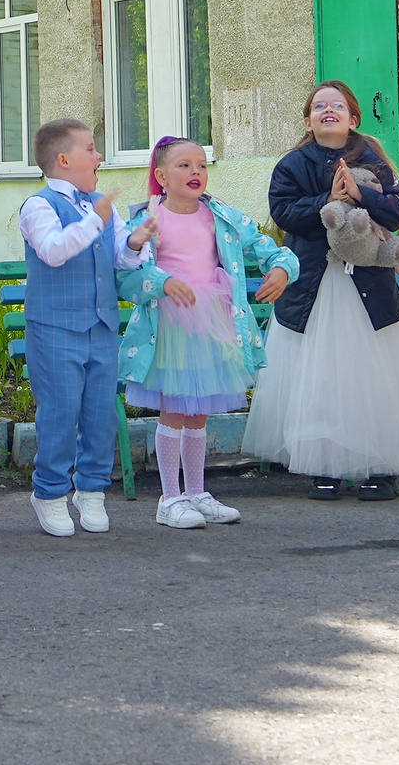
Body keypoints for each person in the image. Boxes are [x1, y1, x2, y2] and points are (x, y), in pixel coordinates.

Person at [250, 82, 399, 500]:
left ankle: (380, 468)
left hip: (368, 288)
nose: (328, 111)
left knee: (372, 378)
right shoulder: (292, 164)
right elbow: (284, 212)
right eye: (319, 106)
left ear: (353, 118)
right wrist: (329, 198)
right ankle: (325, 465)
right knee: (321, 377)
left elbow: (397, 211)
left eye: (337, 106)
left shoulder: (372, 160)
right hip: (315, 289)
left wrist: (358, 195)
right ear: (308, 120)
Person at [116, 136, 294, 530]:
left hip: (213, 322)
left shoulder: (222, 217)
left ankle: (196, 492)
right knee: (176, 408)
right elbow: (125, 275)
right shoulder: (147, 219)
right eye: (184, 165)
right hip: (171, 326)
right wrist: (160, 284)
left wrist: (282, 269)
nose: (195, 171)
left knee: (199, 414)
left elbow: (271, 249)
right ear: (161, 176)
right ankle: (169, 498)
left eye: (201, 164)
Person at [16, 117, 149, 538]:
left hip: (101, 325)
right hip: (55, 327)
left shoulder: (99, 205)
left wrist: (135, 241)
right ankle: (50, 492)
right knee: (59, 412)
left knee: (100, 414)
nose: (99, 157)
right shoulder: (38, 206)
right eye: (91, 148)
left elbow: (119, 259)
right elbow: (55, 251)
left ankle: (91, 489)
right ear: (63, 159)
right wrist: (96, 218)